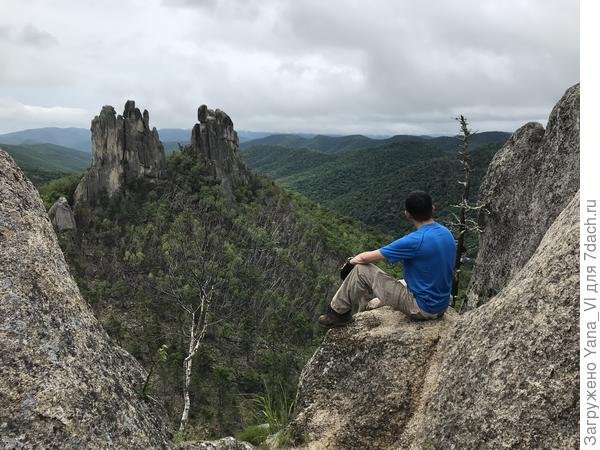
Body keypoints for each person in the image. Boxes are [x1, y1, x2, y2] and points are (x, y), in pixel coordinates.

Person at [318, 191, 456, 328]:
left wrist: (350, 263)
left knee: (361, 270)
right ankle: (366, 308)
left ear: (407, 214)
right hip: (441, 304)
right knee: (395, 281)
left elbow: (365, 258)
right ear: (433, 208)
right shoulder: (446, 233)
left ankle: (337, 313)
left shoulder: (414, 241)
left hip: (422, 308)